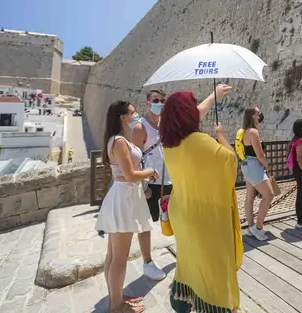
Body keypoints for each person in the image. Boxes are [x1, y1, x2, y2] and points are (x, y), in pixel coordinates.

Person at [160, 89, 242, 313]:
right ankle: (214, 305)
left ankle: (181, 299)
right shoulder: (201, 142)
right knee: (213, 265)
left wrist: (213, 96)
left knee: (189, 259)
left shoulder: (169, 144)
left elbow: (197, 112)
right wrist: (221, 137)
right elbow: (230, 162)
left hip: (181, 211)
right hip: (204, 217)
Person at [95, 101, 159, 313]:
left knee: (113, 255)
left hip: (122, 196)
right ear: (122, 117)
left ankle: (116, 298)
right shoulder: (120, 142)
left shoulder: (115, 140)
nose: (136, 114)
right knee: (119, 259)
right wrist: (150, 172)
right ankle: (116, 306)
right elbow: (130, 175)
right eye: (132, 112)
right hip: (125, 198)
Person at [129, 89, 169, 281]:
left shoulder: (164, 124)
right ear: (147, 103)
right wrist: (143, 187)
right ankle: (147, 262)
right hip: (149, 182)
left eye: (162, 100)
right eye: (156, 100)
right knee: (145, 223)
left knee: (175, 216)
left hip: (167, 179)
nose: (159, 103)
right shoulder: (140, 128)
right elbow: (134, 160)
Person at [240, 107, 274, 241]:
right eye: (258, 113)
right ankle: (258, 228)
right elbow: (259, 154)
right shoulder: (253, 132)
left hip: (246, 165)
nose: (260, 114)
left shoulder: (245, 132)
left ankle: (251, 227)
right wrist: (267, 166)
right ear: (253, 116)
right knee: (268, 195)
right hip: (254, 165)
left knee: (250, 197)